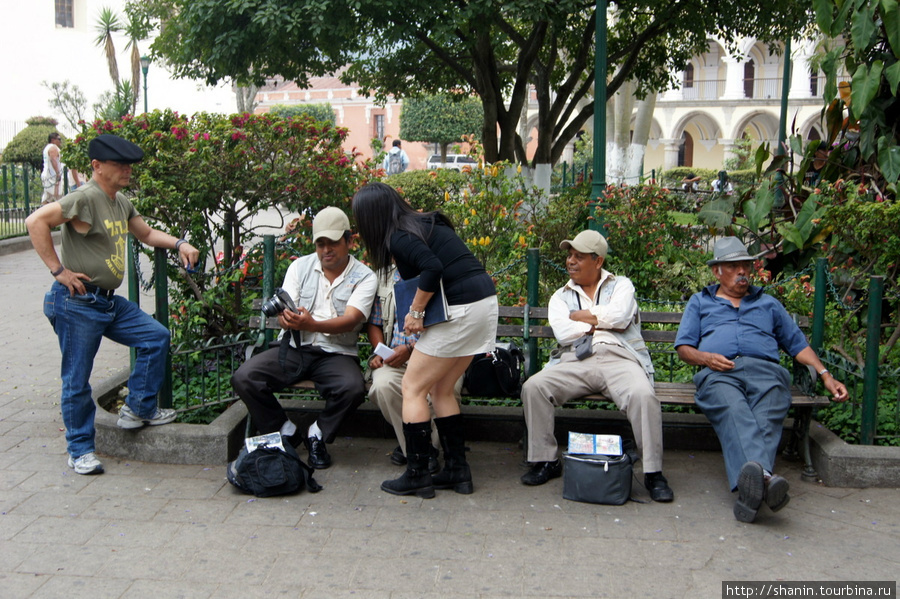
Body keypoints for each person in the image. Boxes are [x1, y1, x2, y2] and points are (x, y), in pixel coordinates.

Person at [25, 133, 201, 475]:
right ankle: (79, 450)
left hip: (107, 302)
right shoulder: (85, 197)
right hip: (77, 302)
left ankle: (138, 408)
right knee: (77, 380)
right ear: (96, 166)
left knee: (155, 337)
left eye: (129, 165)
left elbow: (146, 234)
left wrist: (180, 243)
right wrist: (58, 270)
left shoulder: (119, 201)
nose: (127, 170)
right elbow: (35, 222)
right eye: (119, 164)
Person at [674, 237, 848, 523]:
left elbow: (797, 345)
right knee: (734, 409)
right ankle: (764, 481)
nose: (742, 271)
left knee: (768, 413)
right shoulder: (700, 301)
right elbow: (684, 349)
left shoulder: (768, 304)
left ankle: (754, 487)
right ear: (717, 271)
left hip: (767, 373)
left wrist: (826, 375)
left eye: (746, 265)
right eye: (733, 266)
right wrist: (707, 358)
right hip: (720, 373)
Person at [352, 182, 498, 498]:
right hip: (483, 304)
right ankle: (458, 472)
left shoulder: (399, 236)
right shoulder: (420, 223)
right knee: (441, 388)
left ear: (370, 217)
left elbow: (433, 267)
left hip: (460, 309)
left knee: (412, 388)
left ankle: (418, 473)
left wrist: (416, 312)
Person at [519, 230, 674, 502]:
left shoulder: (621, 285)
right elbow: (564, 333)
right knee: (534, 387)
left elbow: (621, 316)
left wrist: (583, 317)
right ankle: (546, 461)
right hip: (576, 359)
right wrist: (601, 320)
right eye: (569, 256)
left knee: (643, 396)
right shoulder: (560, 296)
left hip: (620, 357)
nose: (570, 261)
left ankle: (653, 472)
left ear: (598, 261)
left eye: (579, 256)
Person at [231, 207, 377, 470]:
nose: (326, 250)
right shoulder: (300, 266)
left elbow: (352, 319)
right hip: (295, 347)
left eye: (333, 242)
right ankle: (285, 430)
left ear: (350, 241)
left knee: (353, 388)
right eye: (320, 244)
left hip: (336, 353)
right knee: (245, 377)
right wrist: (287, 320)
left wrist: (313, 323)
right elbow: (286, 308)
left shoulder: (364, 277)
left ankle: (317, 434)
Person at [366, 267, 463, 471]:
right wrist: (380, 353)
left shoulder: (444, 272)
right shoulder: (384, 276)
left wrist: (410, 349)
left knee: (446, 390)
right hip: (394, 359)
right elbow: (374, 323)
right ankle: (420, 449)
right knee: (382, 385)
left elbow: (455, 327)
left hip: (437, 357)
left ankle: (418, 451)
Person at [41, 132, 64, 204]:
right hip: (52, 176)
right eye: (59, 139)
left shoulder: (47, 148)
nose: (60, 141)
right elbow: (53, 160)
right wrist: (58, 173)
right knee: (58, 196)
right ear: (53, 140)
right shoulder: (53, 148)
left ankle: (44, 212)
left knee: (48, 197)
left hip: (48, 174)